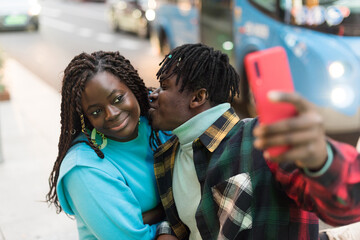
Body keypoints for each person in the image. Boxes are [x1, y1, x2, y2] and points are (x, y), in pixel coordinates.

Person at [148, 43, 360, 240]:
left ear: (198, 97)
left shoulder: (260, 138)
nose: (153, 94)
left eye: (163, 87)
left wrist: (322, 161)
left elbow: (347, 204)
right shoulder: (168, 156)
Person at [46, 51, 176, 240]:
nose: (112, 114)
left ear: (134, 89)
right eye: (96, 111)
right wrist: (169, 217)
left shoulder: (157, 123)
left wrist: (154, 215)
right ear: (86, 117)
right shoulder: (84, 168)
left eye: (118, 99)